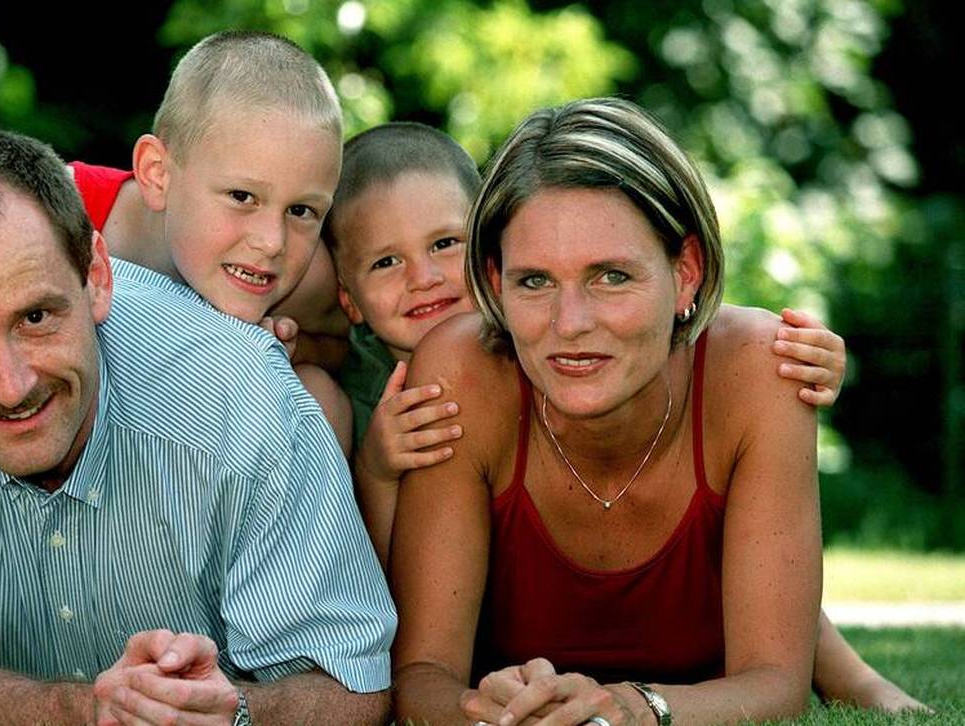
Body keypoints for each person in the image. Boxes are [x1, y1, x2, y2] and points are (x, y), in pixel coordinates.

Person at [0, 30, 356, 706]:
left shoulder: (297, 271)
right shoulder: (61, 213)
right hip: (41, 442)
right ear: (158, 175)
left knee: (320, 402)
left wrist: (297, 351)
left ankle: (256, 628)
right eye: (241, 198)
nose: (271, 239)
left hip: (162, 467)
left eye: (303, 210)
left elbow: (349, 350)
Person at [387, 97, 919, 726]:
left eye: (611, 276)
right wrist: (487, 713)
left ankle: (861, 679)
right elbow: (420, 680)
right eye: (535, 281)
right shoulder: (460, 374)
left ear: (686, 272)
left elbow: (777, 685)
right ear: (495, 280)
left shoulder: (759, 371)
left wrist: (633, 709)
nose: (570, 324)